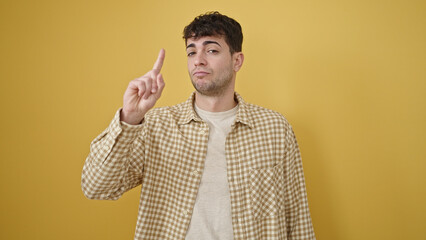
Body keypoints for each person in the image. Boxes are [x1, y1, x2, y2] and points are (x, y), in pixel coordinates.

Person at [81, 11, 315, 240]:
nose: (198, 60)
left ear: (237, 60)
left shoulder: (274, 128)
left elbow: (297, 217)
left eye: (211, 50)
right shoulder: (156, 125)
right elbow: (96, 187)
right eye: (191, 52)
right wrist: (130, 118)